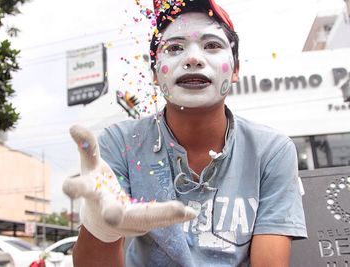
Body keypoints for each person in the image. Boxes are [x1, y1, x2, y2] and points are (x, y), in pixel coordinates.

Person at [65, 0, 308, 266]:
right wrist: (101, 229)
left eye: (212, 45)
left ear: (236, 69)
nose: (193, 58)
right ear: (155, 73)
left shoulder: (271, 151)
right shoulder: (122, 142)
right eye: (175, 47)